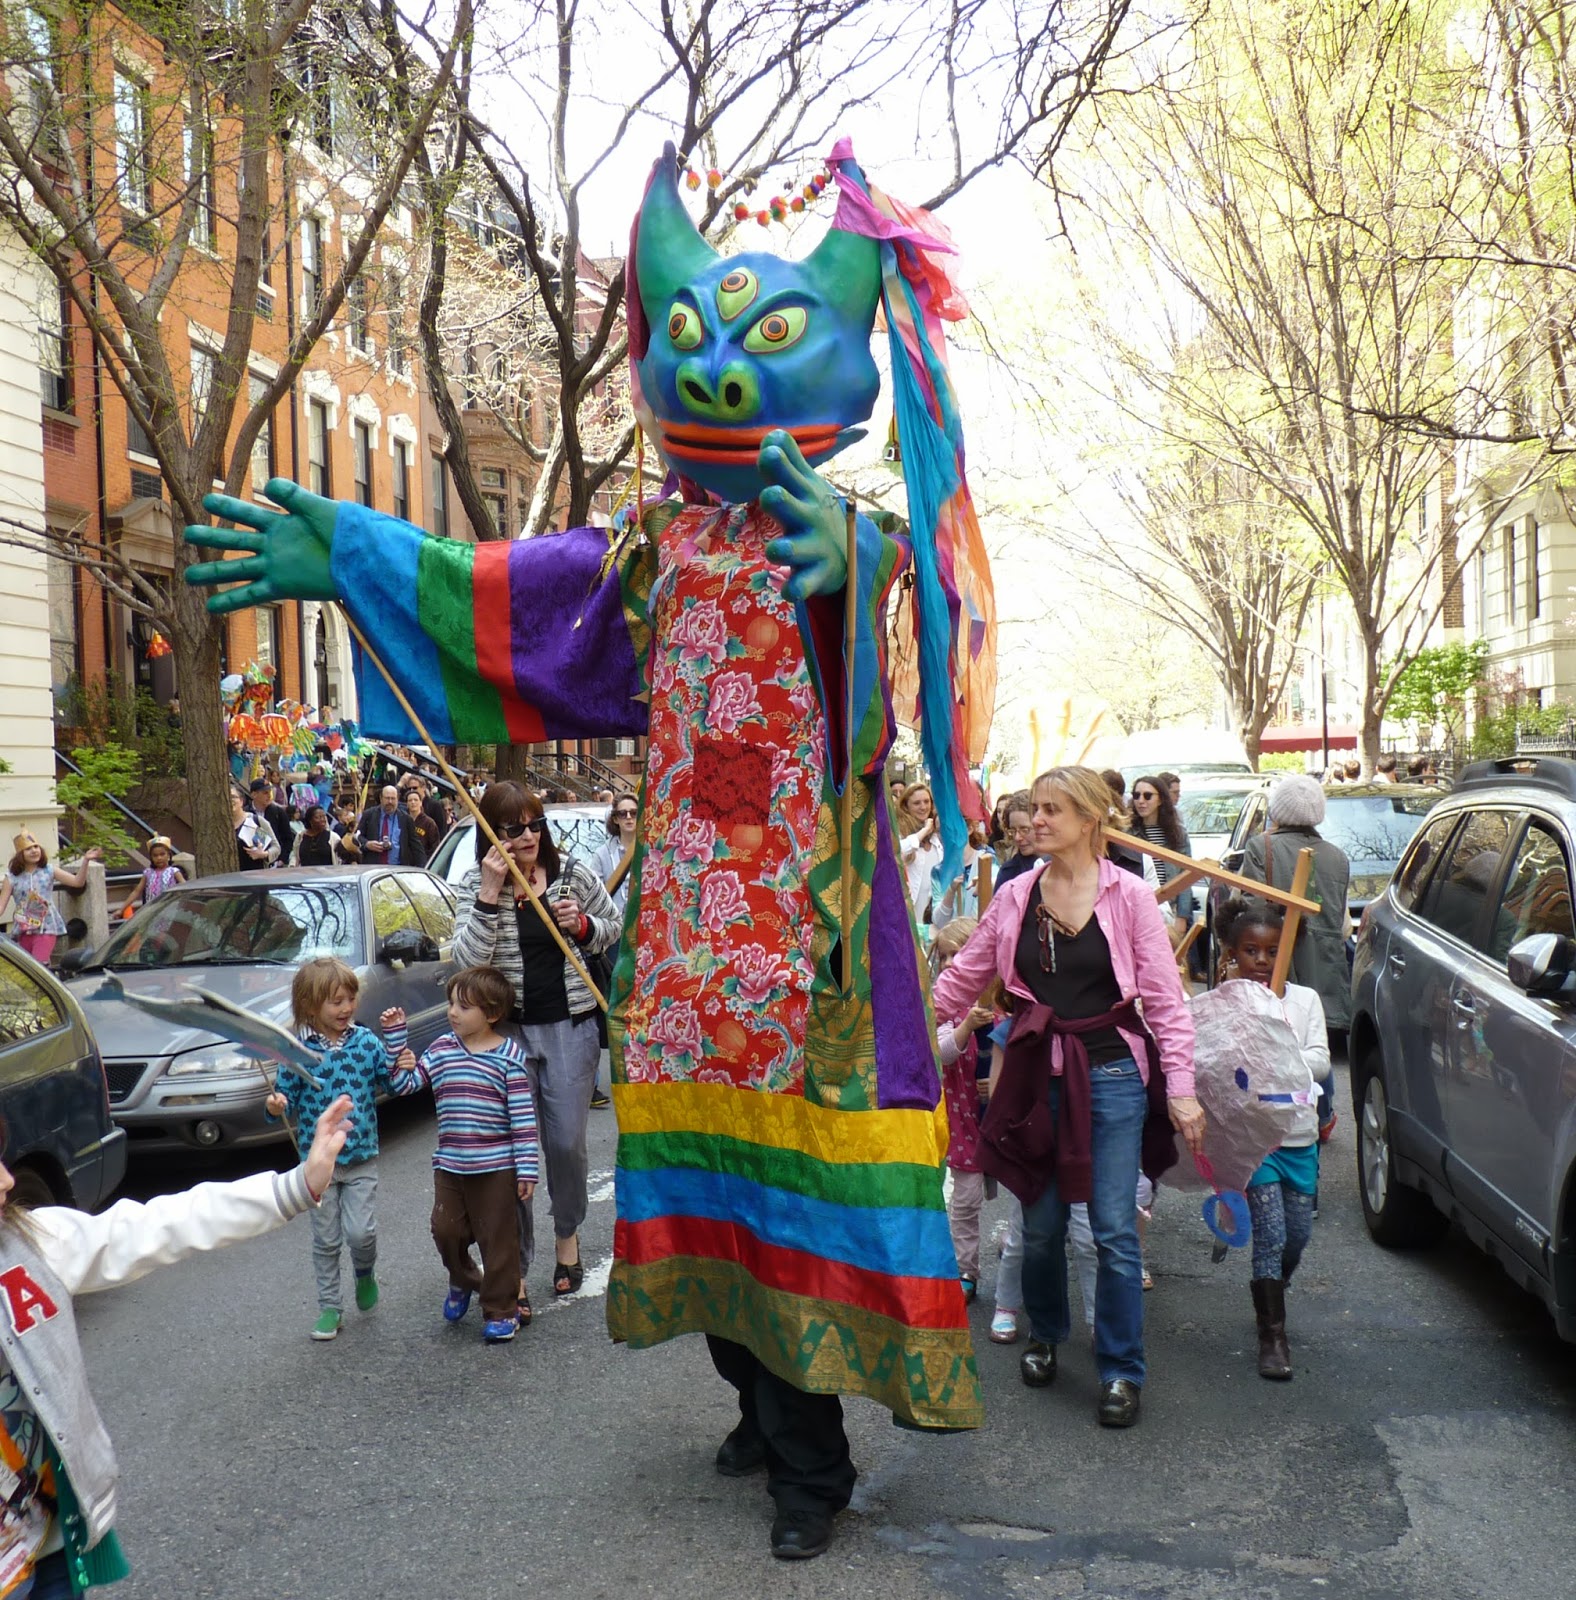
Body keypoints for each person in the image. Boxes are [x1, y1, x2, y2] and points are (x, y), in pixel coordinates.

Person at [931, 765, 1205, 1429]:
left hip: (1112, 1075)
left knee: (1113, 1228)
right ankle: (1047, 1333)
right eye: (1036, 808)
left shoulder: (1130, 896)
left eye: (1053, 809)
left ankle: (1120, 1368)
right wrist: (896, 1035)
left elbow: (1166, 1002)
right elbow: (960, 980)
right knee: (1041, 1222)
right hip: (1032, 1075)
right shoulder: (1015, 895)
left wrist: (1182, 1090)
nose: (1037, 819)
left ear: (1090, 819)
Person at [0, 1093, 353, 1597]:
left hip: (47, 1537)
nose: (8, 1180)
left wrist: (295, 1187)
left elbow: (157, 1226)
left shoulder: (29, 1245)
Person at [451, 783, 618, 1300]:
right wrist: (488, 895)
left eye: (535, 824)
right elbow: (466, 963)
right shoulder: (474, 884)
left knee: (565, 1144)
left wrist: (583, 926)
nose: (528, 836)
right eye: (514, 828)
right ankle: (514, 1265)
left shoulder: (573, 875)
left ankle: (567, 1237)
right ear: (492, 835)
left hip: (570, 1027)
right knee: (510, 1154)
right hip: (506, 1035)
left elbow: (613, 926)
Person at [385, 968, 539, 1342]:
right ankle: (463, 1277)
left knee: (498, 1241)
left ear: (492, 1014)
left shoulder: (509, 1057)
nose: (453, 1012)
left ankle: (501, 1311)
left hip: (497, 1167)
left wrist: (527, 1169)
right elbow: (406, 1085)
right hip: (451, 1165)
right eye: (451, 1003)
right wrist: (396, 1048)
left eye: (464, 1007)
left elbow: (523, 1120)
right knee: (446, 1231)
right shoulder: (441, 1048)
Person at [1215, 896, 1330, 1379]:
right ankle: (1272, 1336)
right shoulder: (1227, 1001)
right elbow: (1216, 1062)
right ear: (1233, 953)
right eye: (1250, 951)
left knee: (1296, 1237)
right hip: (1256, 1140)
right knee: (1271, 1234)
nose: (1261, 961)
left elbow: (1321, 1060)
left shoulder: (1305, 1001)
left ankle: (1273, 1287)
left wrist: (1283, 1057)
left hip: (1299, 1136)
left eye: (1271, 951)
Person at [264, 957, 394, 1341]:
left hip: (361, 1157)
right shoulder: (297, 1052)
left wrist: (401, 1063)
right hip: (318, 1163)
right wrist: (275, 1106)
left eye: (350, 999)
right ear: (309, 1005)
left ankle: (365, 1271)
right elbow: (283, 1100)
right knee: (326, 1240)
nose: (346, 1008)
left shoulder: (366, 1042)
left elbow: (390, 1082)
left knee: (361, 1233)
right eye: (336, 1001)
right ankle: (330, 1307)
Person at [1239, 773, 1352, 1055]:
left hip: (1278, 971)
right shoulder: (1338, 857)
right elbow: (1342, 925)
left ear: (1278, 810)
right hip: (1326, 974)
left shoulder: (1261, 846)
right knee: (1318, 1055)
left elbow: (1253, 911)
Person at [931, 918, 996, 1302]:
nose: (950, 962)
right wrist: (966, 1026)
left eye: (958, 953)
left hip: (1005, 1118)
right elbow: (943, 1052)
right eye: (943, 956)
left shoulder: (1002, 998)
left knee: (1025, 1195)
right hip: (964, 1118)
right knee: (967, 1201)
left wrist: (999, 1078)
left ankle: (1015, 1244)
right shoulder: (946, 1007)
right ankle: (965, 1268)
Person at [0, 834, 101, 965]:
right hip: (23, 929)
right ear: (20, 854)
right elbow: (1, 906)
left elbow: (77, 882)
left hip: (46, 927)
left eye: (36, 847)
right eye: (28, 849)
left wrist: (85, 861)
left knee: (39, 964)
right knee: (27, 967)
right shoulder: (11, 877)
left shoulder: (49, 870)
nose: (34, 851)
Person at [1129, 775, 1195, 923]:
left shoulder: (1178, 833)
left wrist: (1182, 917)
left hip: (1170, 909)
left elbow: (1186, 875)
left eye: (1147, 796)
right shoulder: (1126, 834)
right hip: (1138, 910)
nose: (1141, 801)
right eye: (1136, 795)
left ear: (1160, 800)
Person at [896, 782, 943, 920]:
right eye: (917, 803)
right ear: (906, 806)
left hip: (935, 909)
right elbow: (898, 851)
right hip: (910, 910)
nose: (923, 807)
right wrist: (924, 831)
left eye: (926, 801)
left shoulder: (936, 835)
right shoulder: (899, 832)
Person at [592, 795, 639, 919]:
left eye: (634, 813)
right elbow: (594, 897)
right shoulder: (601, 854)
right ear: (615, 819)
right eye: (622, 814)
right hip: (612, 923)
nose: (629, 817)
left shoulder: (650, 851)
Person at [121, 836, 184, 913]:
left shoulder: (174, 872)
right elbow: (136, 892)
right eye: (155, 855)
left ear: (168, 855)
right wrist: (121, 910)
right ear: (151, 857)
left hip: (169, 909)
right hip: (152, 911)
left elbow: (185, 888)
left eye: (162, 854)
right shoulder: (147, 873)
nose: (159, 858)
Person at [995, 791, 1040, 888]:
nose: (1017, 837)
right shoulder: (1008, 873)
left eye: (1024, 830)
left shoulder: (1061, 866)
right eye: (1013, 831)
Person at [357, 785, 409, 865]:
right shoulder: (369, 815)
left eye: (393, 798)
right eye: (387, 798)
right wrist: (367, 844)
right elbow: (357, 836)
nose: (390, 802)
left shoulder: (405, 818)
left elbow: (414, 844)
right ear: (381, 798)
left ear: (397, 799)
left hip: (397, 867)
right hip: (373, 866)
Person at [232, 791, 278, 870]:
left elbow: (276, 848)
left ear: (241, 801)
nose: (230, 800)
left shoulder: (254, 821)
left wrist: (264, 854)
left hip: (254, 874)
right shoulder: (219, 826)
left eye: (233, 797)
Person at [247, 778, 291, 853]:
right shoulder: (246, 813)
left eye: (270, 792)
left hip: (275, 856)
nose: (269, 796)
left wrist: (281, 857)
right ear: (254, 794)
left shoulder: (278, 812)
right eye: (265, 793)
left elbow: (287, 839)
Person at [401, 786, 441, 866]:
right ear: (407, 804)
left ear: (420, 803)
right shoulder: (402, 821)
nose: (413, 802)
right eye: (410, 800)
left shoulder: (429, 823)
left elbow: (434, 846)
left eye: (415, 800)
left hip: (423, 864)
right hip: (405, 863)